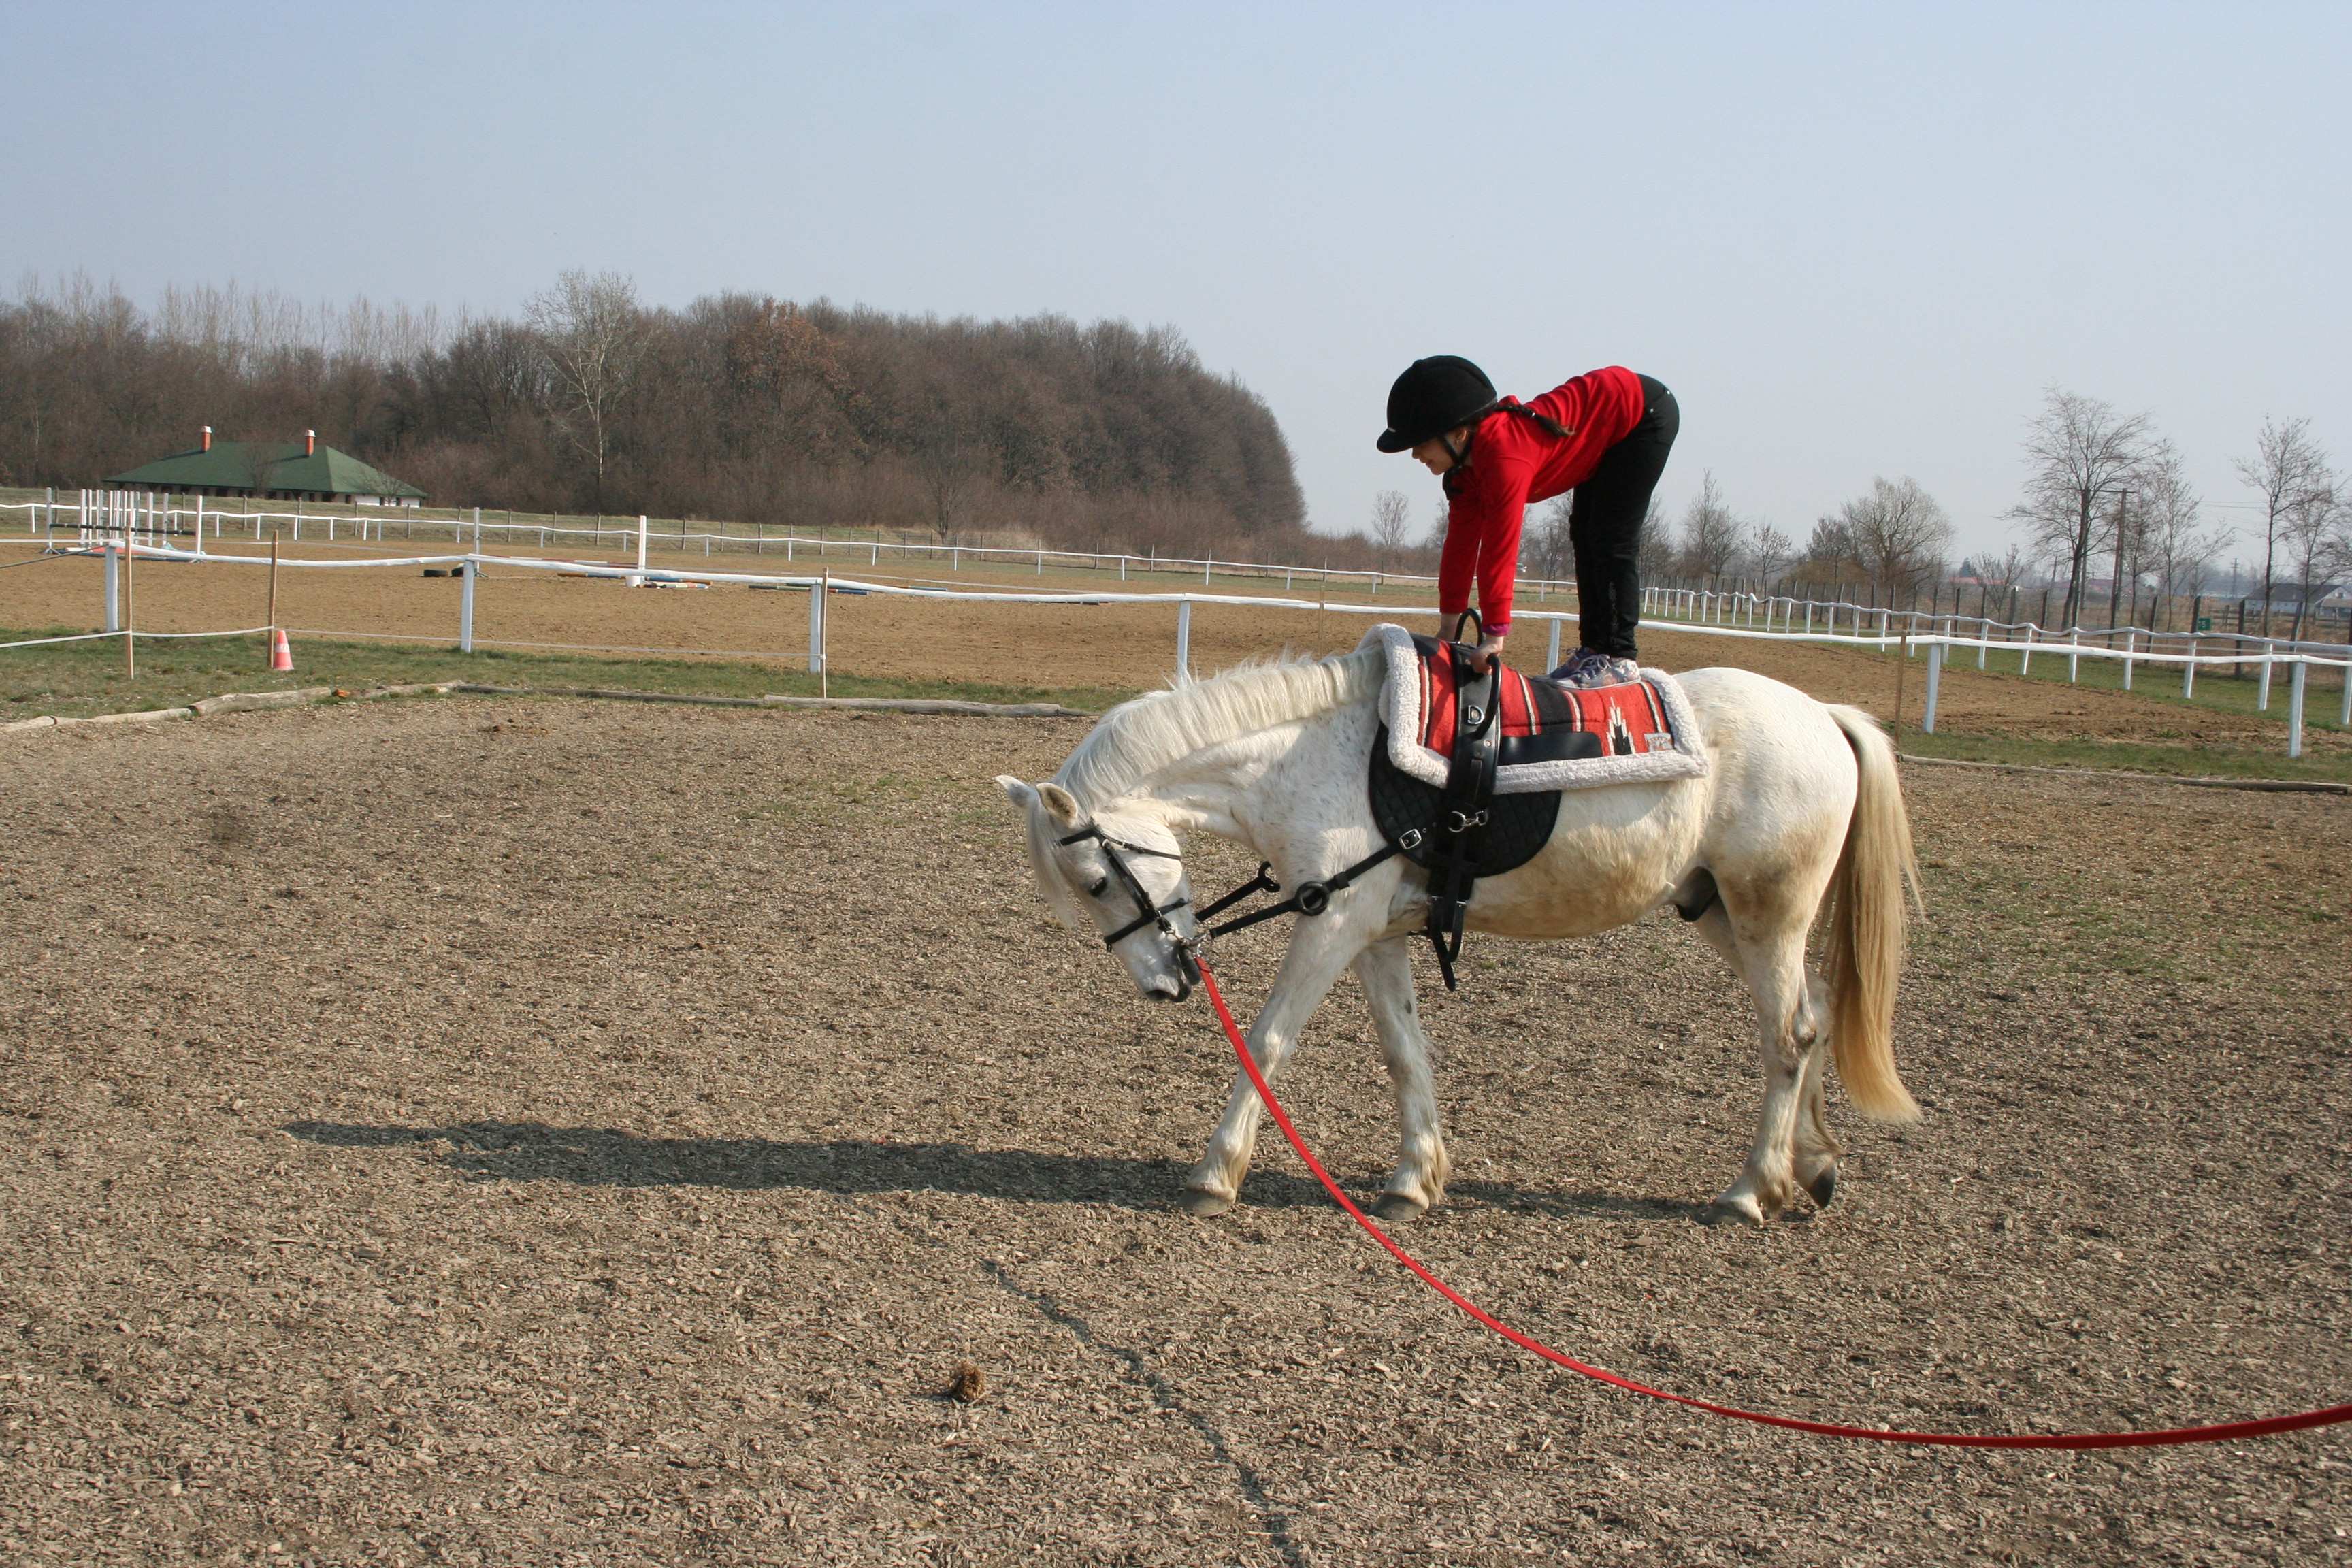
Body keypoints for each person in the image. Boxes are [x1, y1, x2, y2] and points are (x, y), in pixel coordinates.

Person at [1377, 355, 1678, 685]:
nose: (1415, 455)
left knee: (1608, 538)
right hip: (1609, 425)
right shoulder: (1464, 475)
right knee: (1583, 535)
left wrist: (1494, 637)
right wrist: (1448, 631)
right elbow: (1461, 548)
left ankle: (1618, 658)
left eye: (1420, 444)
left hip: (1640, 418)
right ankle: (1594, 650)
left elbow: (1500, 548)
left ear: (1460, 433)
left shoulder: (1505, 455)